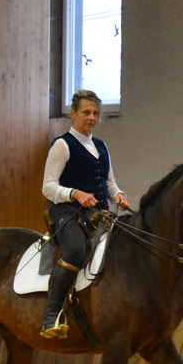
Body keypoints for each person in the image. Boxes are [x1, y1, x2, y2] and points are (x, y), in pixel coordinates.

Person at [39, 89, 132, 338]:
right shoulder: (62, 145)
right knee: (76, 250)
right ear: (73, 113)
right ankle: (51, 315)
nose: (91, 117)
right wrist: (74, 194)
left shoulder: (101, 146)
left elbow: (109, 183)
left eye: (95, 113)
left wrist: (119, 195)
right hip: (66, 211)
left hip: (97, 213)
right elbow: (47, 186)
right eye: (86, 112)